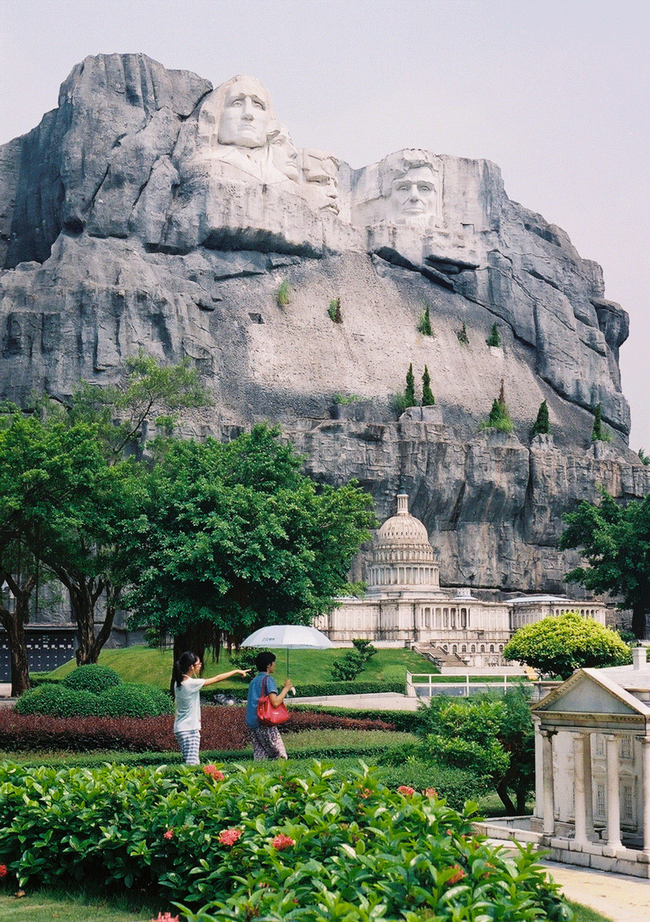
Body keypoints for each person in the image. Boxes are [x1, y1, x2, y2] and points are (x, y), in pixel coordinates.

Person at [170, 652, 249, 765]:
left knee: (189, 764)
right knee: (192, 765)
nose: (200, 665)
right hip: (190, 730)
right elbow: (217, 678)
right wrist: (236, 671)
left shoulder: (178, 683)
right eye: (198, 663)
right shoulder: (191, 683)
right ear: (191, 667)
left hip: (180, 729)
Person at [246, 650, 292, 760]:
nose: (275, 665)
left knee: (260, 755)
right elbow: (275, 702)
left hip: (252, 721)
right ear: (268, 665)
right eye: (273, 662)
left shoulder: (254, 680)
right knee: (280, 755)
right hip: (265, 721)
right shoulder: (268, 679)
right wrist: (286, 689)